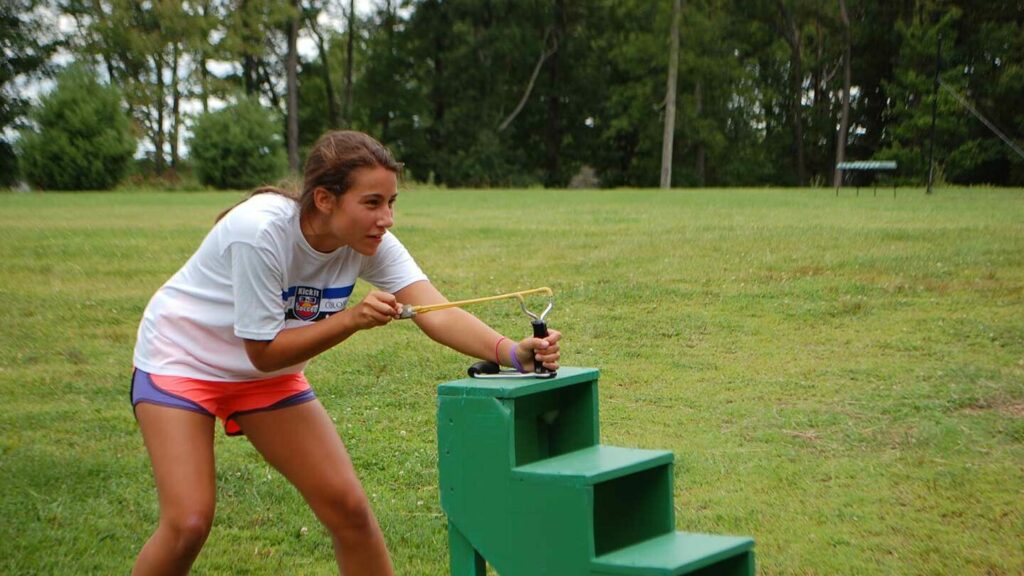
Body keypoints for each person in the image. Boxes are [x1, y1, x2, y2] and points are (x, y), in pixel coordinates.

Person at [130, 130, 562, 575]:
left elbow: (436, 311)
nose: (387, 218)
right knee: (189, 522)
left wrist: (512, 352)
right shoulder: (258, 232)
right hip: (182, 362)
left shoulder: (368, 244)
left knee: (349, 510)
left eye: (392, 203)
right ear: (324, 199)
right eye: (372, 203)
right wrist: (351, 319)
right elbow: (262, 351)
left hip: (266, 381)